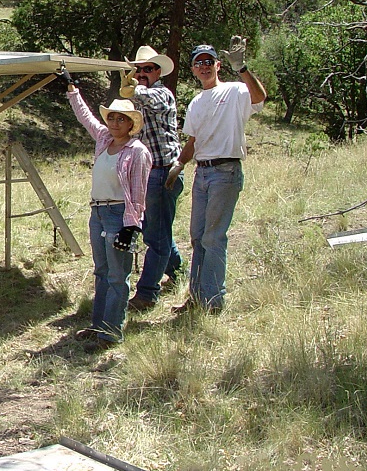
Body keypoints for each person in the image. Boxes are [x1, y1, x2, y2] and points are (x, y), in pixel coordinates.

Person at [166, 37, 267, 314]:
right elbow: (193, 141)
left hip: (226, 171)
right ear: (193, 70)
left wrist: (243, 67)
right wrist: (179, 164)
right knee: (197, 237)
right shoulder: (197, 102)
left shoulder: (235, 91)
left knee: (213, 238)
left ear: (218, 65)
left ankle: (213, 301)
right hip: (203, 173)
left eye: (209, 62)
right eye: (199, 63)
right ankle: (196, 297)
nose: (204, 67)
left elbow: (259, 98)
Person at [62, 70, 152, 349]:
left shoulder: (137, 152)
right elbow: (85, 117)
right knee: (101, 271)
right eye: (111, 117)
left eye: (120, 118)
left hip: (118, 215)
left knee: (117, 275)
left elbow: (138, 194)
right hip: (98, 213)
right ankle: (99, 325)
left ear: (131, 124)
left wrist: (132, 226)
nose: (114, 122)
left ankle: (111, 332)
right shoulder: (104, 140)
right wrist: (72, 89)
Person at [118, 45, 186, 311]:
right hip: (148, 174)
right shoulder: (138, 98)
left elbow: (151, 100)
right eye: (138, 69)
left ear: (158, 72)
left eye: (147, 69)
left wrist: (133, 89)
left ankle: (147, 293)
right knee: (156, 232)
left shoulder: (161, 94)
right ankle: (179, 271)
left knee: (155, 238)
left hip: (163, 172)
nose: (142, 73)